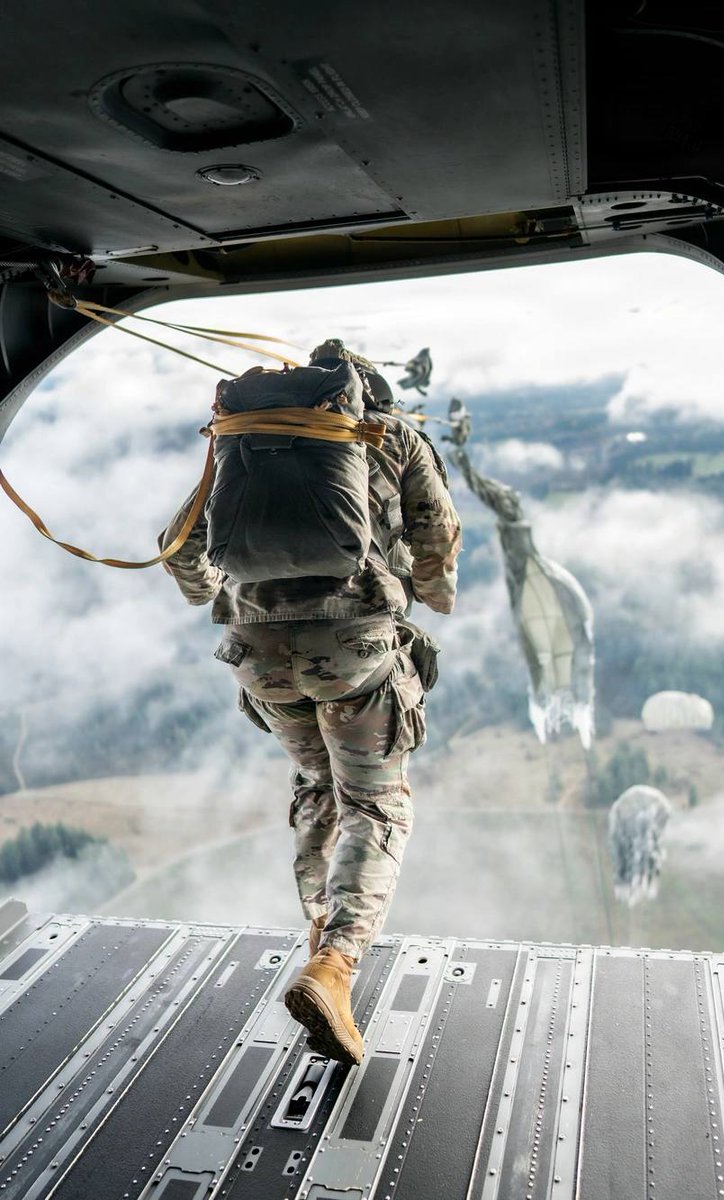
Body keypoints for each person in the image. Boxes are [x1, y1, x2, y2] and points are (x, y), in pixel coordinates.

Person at [159, 338, 461, 1064]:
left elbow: (179, 544)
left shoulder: (247, 442)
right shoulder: (393, 437)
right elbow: (437, 535)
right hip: (354, 652)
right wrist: (432, 594)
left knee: (316, 783)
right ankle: (336, 964)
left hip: (257, 656)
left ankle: (318, 934)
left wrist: (216, 595)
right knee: (376, 804)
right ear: (368, 391)